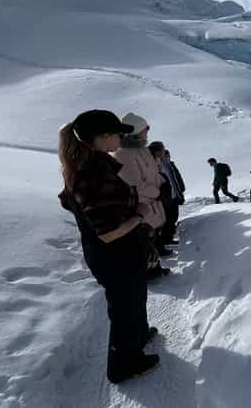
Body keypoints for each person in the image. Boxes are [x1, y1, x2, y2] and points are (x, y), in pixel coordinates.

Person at [58, 110, 160, 384]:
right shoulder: (92, 175)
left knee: (135, 298)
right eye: (117, 133)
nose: (122, 137)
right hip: (114, 255)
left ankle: (137, 337)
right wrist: (139, 212)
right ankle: (124, 364)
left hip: (122, 253)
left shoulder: (95, 164)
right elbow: (108, 233)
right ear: (102, 138)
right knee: (123, 307)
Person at [114, 113, 173, 265]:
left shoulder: (144, 149)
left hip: (154, 203)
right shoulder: (123, 155)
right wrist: (159, 193)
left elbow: (154, 173)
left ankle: (156, 262)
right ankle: (150, 270)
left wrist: (163, 183)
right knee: (145, 239)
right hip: (142, 206)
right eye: (145, 127)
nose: (148, 130)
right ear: (136, 130)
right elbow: (136, 185)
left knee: (153, 234)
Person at [148, 142, 184, 245]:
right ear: (157, 151)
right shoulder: (153, 163)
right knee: (165, 220)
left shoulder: (167, 163)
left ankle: (168, 238)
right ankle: (163, 241)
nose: (165, 152)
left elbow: (175, 179)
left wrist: (179, 193)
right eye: (162, 150)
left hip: (172, 195)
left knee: (173, 217)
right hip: (163, 197)